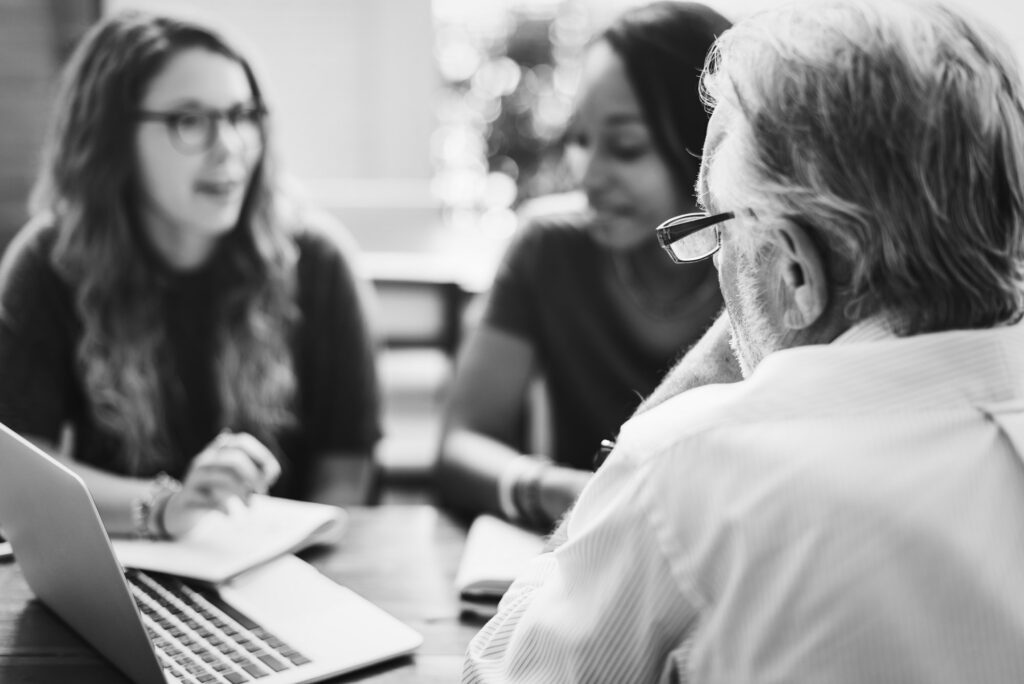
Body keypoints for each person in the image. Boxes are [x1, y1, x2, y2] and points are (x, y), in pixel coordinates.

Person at [463, 0, 1024, 681]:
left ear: (793, 266)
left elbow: (503, 673)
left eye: (718, 230)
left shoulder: (689, 469)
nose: (718, 260)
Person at [0, 11, 381, 540]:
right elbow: (15, 465)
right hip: (128, 574)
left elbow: (347, 473)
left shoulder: (318, 262)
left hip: (290, 574)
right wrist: (164, 508)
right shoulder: (49, 263)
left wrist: (279, 560)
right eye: (190, 119)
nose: (230, 146)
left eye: (243, 114)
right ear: (110, 136)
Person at [436, 2, 732, 530]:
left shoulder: (761, 267)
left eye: (625, 146)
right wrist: (554, 489)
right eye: (580, 138)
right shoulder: (548, 248)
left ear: (708, 145)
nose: (588, 175)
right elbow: (462, 444)